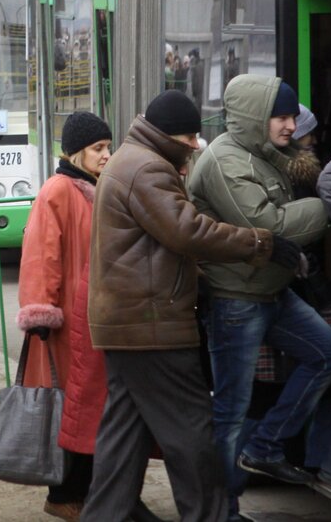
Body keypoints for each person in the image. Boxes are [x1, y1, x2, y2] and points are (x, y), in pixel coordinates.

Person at [82, 91, 281, 522]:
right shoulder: (148, 167)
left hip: (125, 322)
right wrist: (257, 242)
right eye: (190, 136)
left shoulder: (129, 158)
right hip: (152, 323)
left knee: (124, 436)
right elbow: (186, 231)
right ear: (168, 135)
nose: (194, 144)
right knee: (192, 432)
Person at [186, 77, 331, 520]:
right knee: (231, 409)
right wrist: (326, 204)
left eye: (294, 116)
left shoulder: (264, 153)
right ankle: (221, 510)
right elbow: (268, 225)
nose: (291, 125)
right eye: (282, 116)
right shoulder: (225, 160)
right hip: (236, 299)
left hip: (270, 289)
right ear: (257, 117)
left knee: (328, 355)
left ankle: (265, 446)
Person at [18, 112, 161, 522]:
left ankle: (97, 494)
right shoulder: (59, 190)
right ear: (76, 151)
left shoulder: (92, 188)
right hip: (65, 327)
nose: (106, 154)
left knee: (92, 410)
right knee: (75, 411)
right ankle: (67, 494)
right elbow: (41, 255)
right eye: (98, 148)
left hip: (92, 320)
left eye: (107, 147)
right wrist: (41, 311)